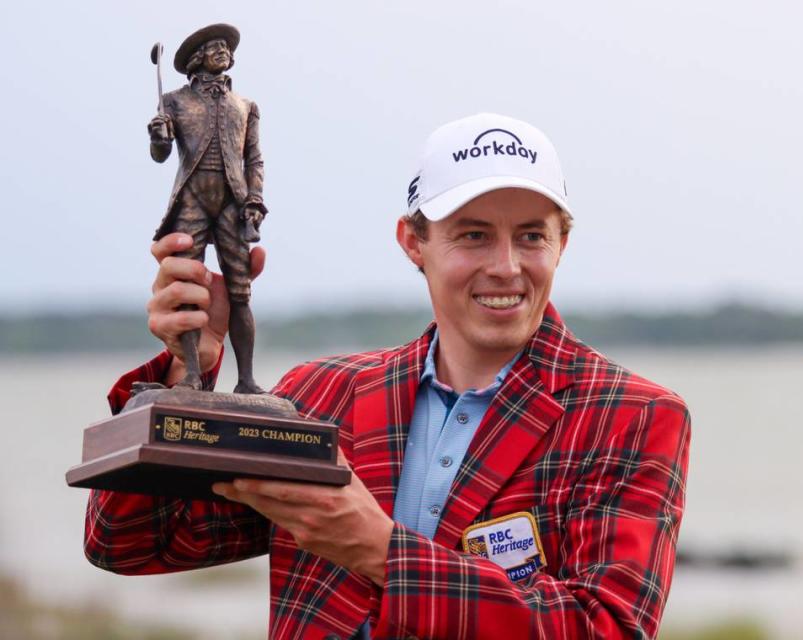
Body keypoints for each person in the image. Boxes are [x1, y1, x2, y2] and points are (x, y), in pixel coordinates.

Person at [85, 113, 691, 639]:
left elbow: (605, 627)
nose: (506, 267)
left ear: (562, 243)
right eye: (473, 235)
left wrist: (380, 551)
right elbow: (131, 541)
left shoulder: (632, 414)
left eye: (531, 235)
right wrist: (190, 365)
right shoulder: (320, 396)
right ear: (413, 242)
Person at [147, 23, 268, 394]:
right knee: (187, 289)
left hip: (233, 203)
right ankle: (191, 374)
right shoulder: (173, 101)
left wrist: (255, 200)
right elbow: (161, 155)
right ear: (197, 58)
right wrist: (158, 136)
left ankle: (246, 379)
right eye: (214, 47)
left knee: (240, 292)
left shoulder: (246, 106)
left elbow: (254, 160)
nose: (223, 52)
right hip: (192, 202)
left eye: (225, 47)